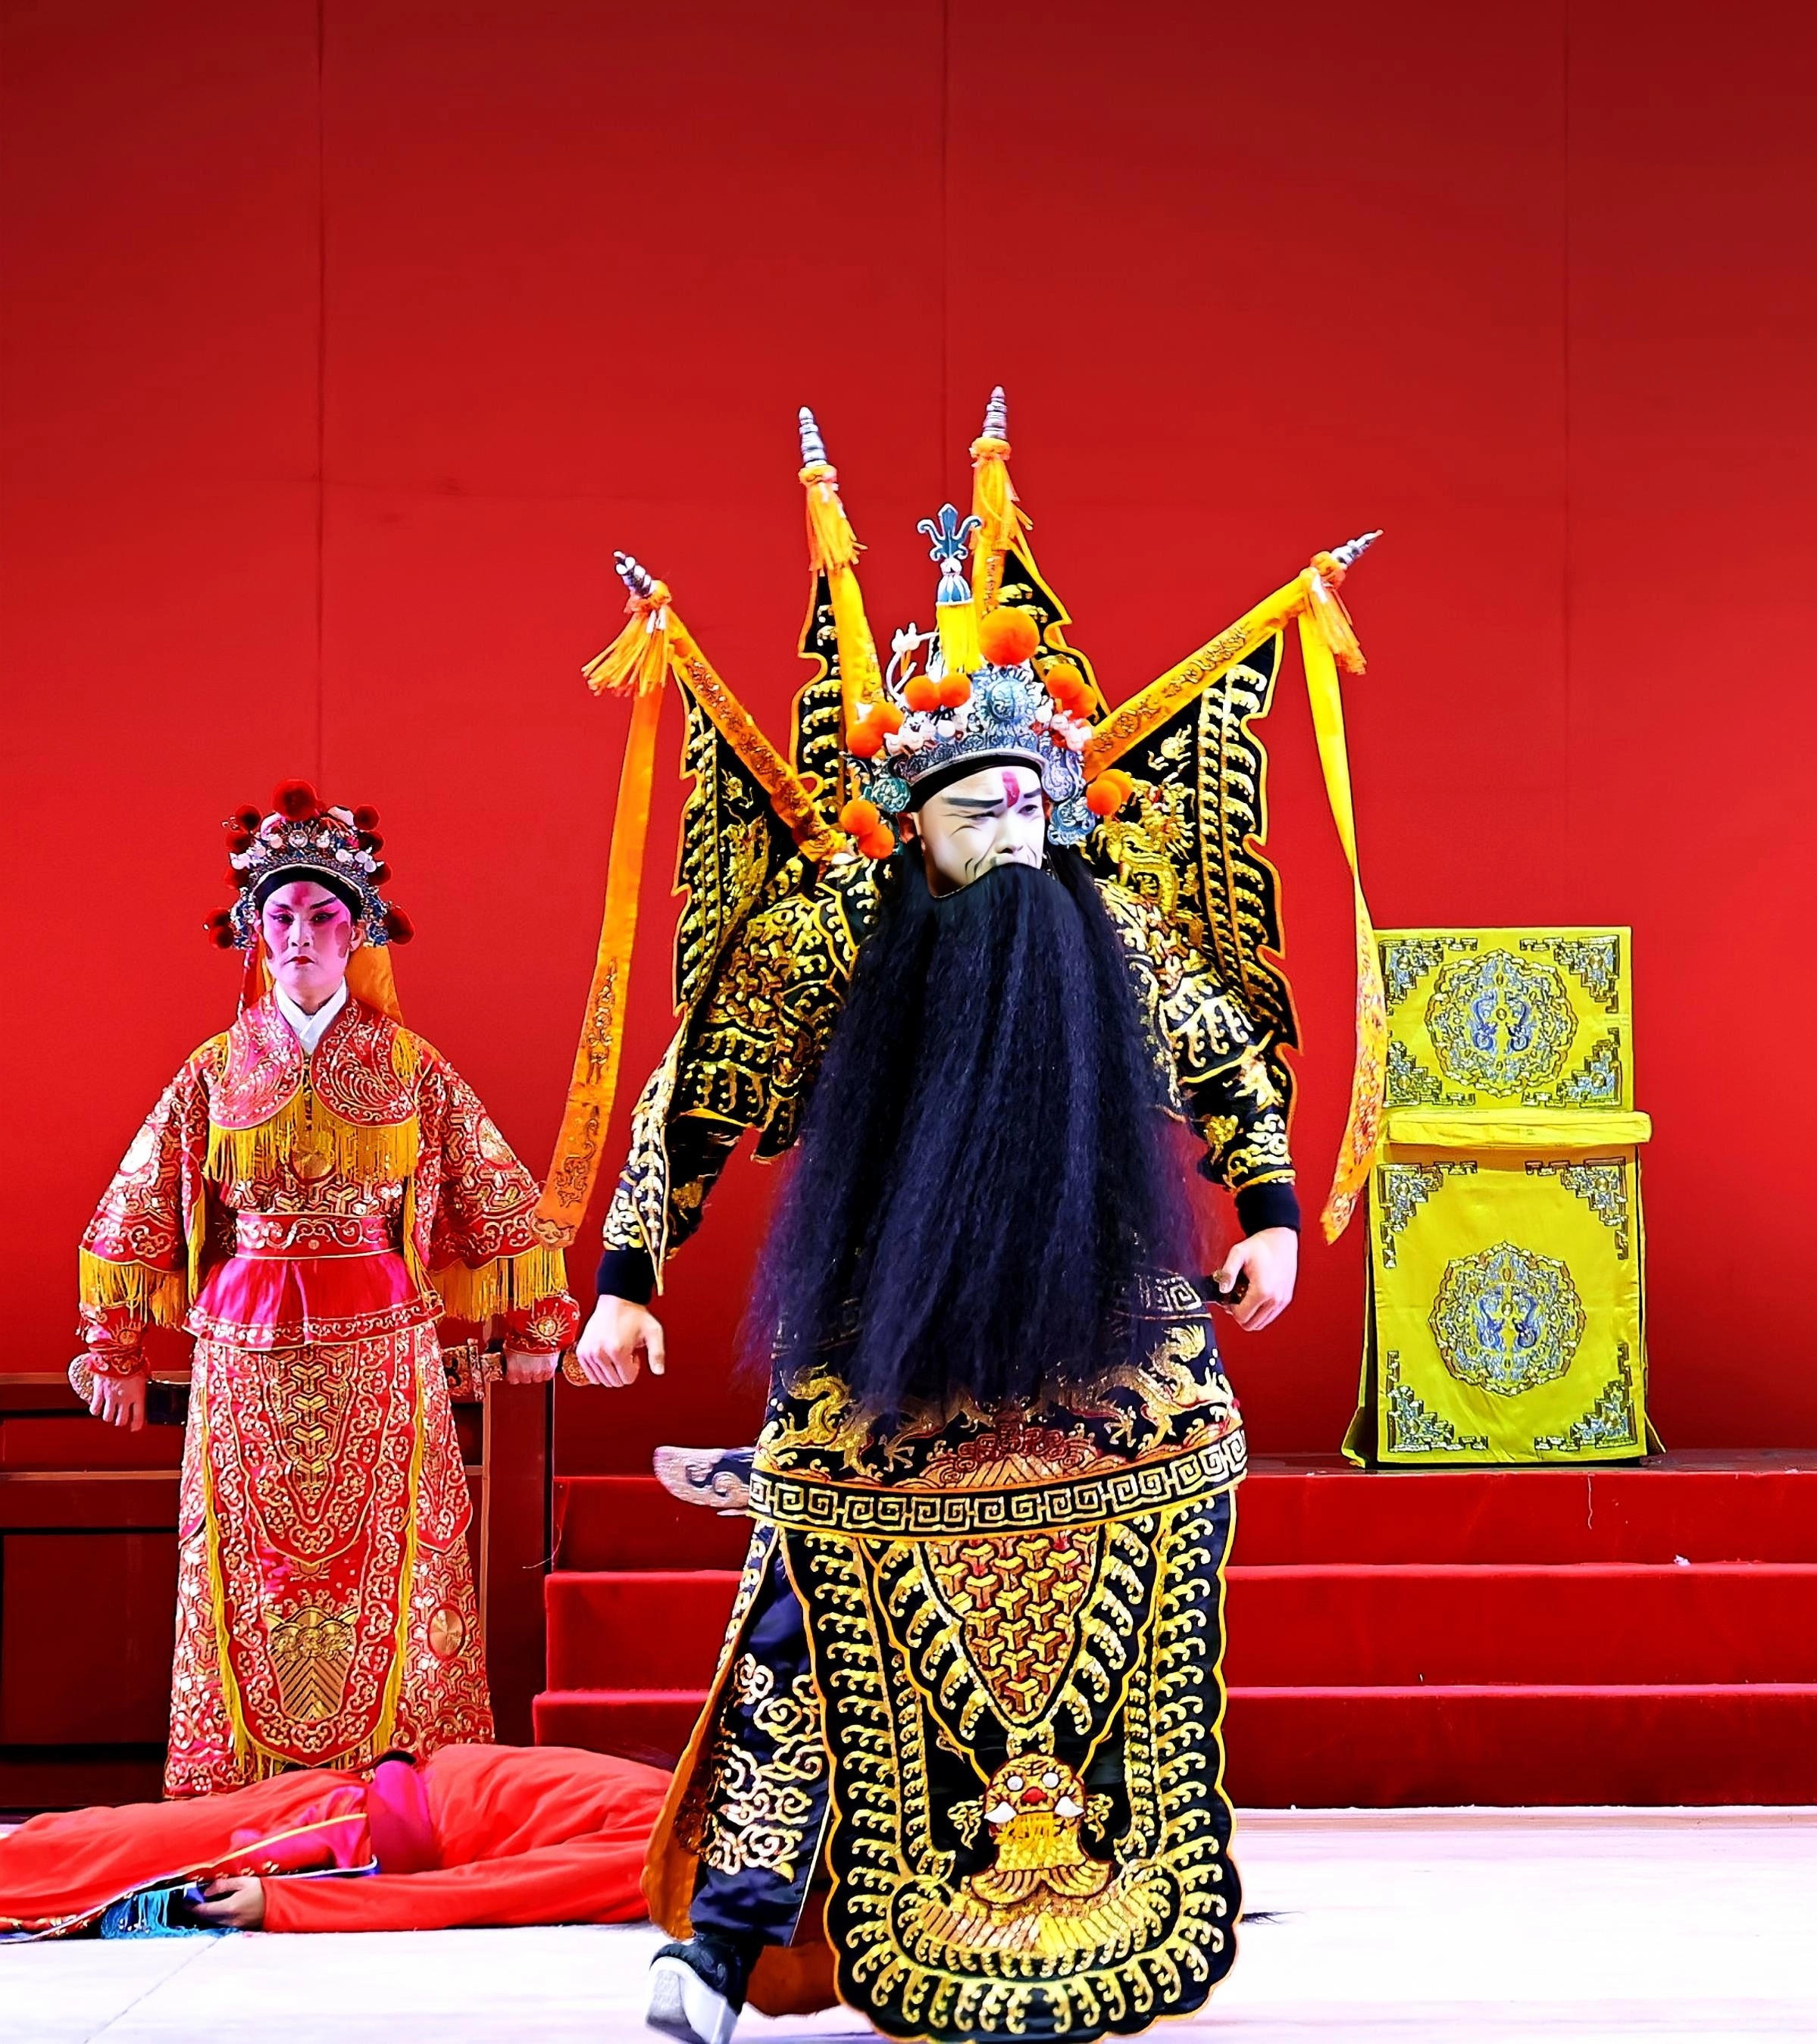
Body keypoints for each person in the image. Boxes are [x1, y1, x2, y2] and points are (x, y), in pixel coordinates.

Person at [560, 400, 1377, 2044]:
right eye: (975, 815)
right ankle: (723, 1939)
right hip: (888, 1318)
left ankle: (1100, 1882)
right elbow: (698, 1083)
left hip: (1105, 1316)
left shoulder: (1105, 920)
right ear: (914, 824)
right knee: (803, 1612)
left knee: (1158, 1561)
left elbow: (1225, 1055)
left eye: (1028, 811)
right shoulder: (829, 934)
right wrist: (631, 1275)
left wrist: (1273, 1213)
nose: (1011, 840)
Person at [75, 786, 605, 1797]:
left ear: (358, 932)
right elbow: (135, 1207)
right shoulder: (215, 1071)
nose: (302, 936)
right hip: (243, 1357)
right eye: (281, 916)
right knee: (245, 1564)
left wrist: (541, 1325)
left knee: (399, 1560)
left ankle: (412, 1787)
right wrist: (115, 1349)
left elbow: (494, 1190)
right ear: (253, 932)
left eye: (324, 916)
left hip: (388, 1352)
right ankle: (238, 1793)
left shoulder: (411, 1067)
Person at [0, 1742, 668, 1939]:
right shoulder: (677, 1807)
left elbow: (480, 1894)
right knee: (100, 1846)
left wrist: (285, 1904)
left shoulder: (667, 1838)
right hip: (346, 1810)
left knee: (102, 1859)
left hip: (342, 1837)